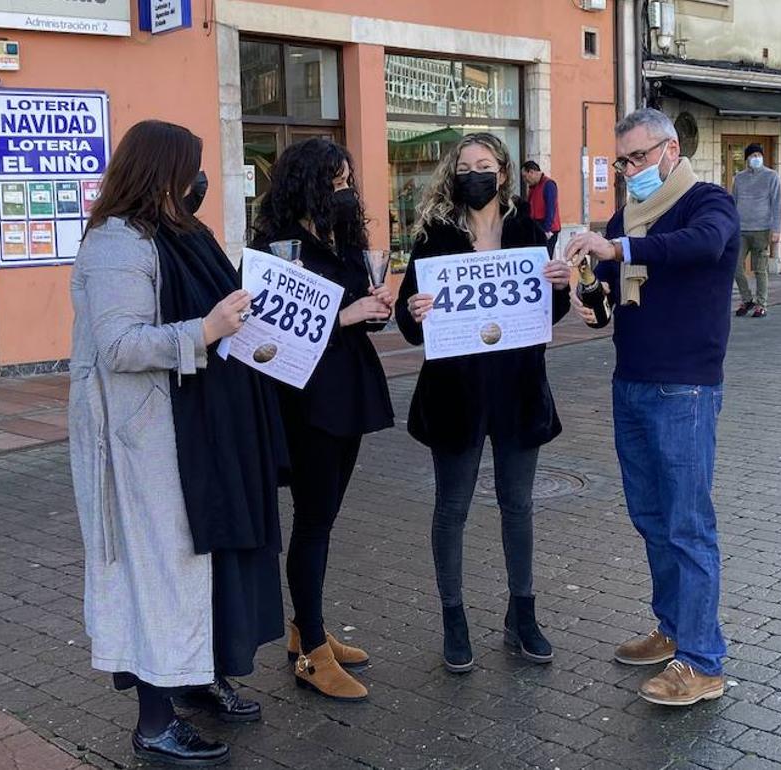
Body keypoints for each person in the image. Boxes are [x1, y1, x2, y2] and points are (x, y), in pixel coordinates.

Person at [69, 120, 289, 766]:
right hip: (137, 440)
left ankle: (197, 677)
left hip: (190, 428)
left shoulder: (174, 233)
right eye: (189, 168)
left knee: (199, 561)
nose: (199, 181)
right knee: (154, 572)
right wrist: (208, 329)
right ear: (160, 172)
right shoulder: (117, 245)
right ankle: (154, 721)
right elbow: (119, 345)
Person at [567, 108, 740, 707]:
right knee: (652, 518)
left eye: (637, 158)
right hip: (633, 382)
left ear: (670, 150)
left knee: (689, 526)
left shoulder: (707, 201)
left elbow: (700, 246)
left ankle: (703, 661)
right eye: (621, 162)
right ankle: (672, 629)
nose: (629, 171)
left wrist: (615, 246)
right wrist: (587, 291)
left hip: (686, 387)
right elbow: (611, 298)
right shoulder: (628, 218)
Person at [396, 133, 573, 674]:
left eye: (485, 165)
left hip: (518, 391)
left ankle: (523, 614)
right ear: (455, 175)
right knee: (452, 508)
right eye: (466, 166)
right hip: (456, 395)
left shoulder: (527, 230)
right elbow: (408, 324)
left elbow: (550, 310)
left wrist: (560, 285)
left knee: (519, 506)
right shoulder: (434, 235)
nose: (476, 174)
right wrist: (416, 308)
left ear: (502, 173)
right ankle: (455, 618)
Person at [251, 138, 395, 701]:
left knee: (325, 520)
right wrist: (346, 314)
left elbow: (359, 310)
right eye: (333, 181)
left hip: (349, 392)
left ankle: (304, 629)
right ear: (304, 183)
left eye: (346, 180)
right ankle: (310, 651)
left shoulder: (340, 235)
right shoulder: (275, 246)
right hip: (305, 399)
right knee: (312, 521)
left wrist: (374, 308)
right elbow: (269, 329)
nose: (344, 190)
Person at [730, 143, 781, 318]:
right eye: (752, 156)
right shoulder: (739, 178)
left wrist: (776, 229)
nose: (756, 159)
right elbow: (733, 202)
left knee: (760, 269)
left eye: (759, 155)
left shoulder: (771, 176)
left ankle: (762, 304)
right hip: (741, 230)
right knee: (735, 266)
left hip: (762, 229)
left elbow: (777, 204)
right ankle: (747, 299)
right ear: (747, 159)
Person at [522, 160, 562, 256]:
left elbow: (550, 208)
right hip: (537, 226)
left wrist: (547, 230)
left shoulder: (548, 184)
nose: (524, 180)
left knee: (545, 257)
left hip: (547, 227)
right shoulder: (533, 187)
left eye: (525, 176)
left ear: (531, 172)